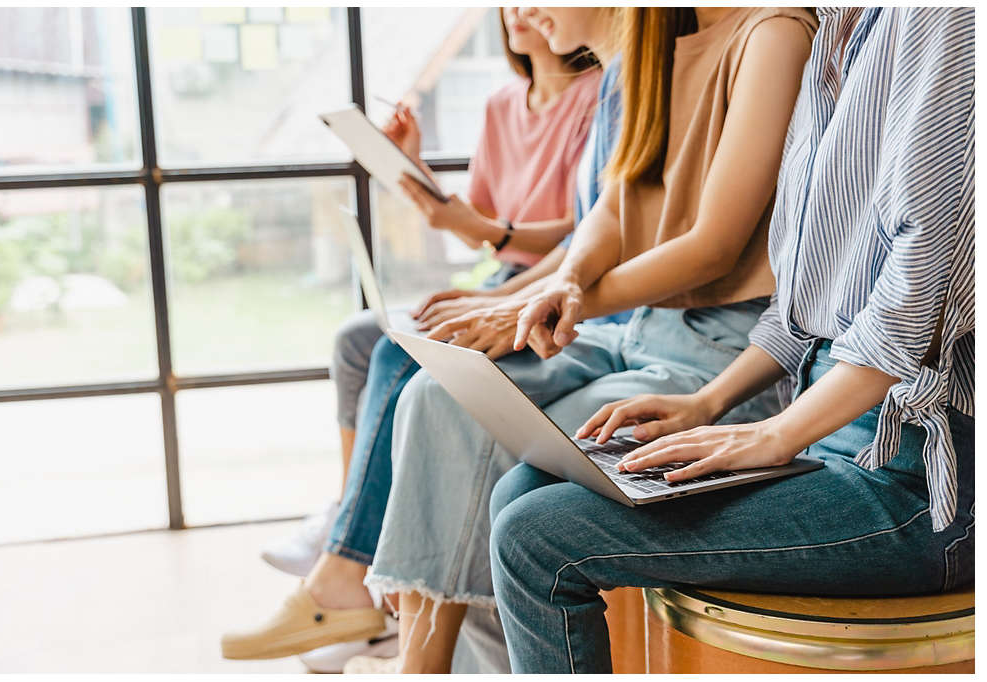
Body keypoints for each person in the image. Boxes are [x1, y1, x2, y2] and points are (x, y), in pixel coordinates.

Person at [489, 6, 975, 673]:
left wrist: (774, 435)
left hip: (918, 482)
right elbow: (799, 306)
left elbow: (914, 300)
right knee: (523, 487)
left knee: (535, 536)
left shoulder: (940, 19)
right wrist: (708, 404)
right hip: (827, 430)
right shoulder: (834, 30)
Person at [366, 6, 817, 673]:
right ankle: (423, 665)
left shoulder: (774, 32)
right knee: (438, 396)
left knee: (510, 465)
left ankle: (425, 667)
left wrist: (557, 299)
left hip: (720, 352)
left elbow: (713, 247)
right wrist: (567, 283)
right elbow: (612, 205)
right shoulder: (658, 42)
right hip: (635, 330)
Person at [222, 7, 601, 661]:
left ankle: (350, 572)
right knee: (355, 341)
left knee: (405, 349)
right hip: (508, 271)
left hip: (552, 281)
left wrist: (495, 276)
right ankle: (349, 529)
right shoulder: (502, 104)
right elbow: (475, 221)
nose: (517, 12)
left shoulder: (600, 96)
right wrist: (416, 170)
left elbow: (582, 234)